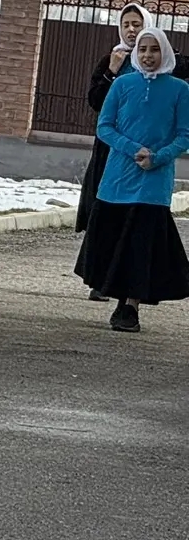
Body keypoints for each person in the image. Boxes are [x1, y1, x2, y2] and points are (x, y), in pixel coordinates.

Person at [74, 25, 189, 332]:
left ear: (165, 52)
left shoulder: (180, 90)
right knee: (115, 240)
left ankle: (130, 307)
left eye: (154, 49)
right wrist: (132, 149)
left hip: (154, 182)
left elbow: (184, 135)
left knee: (141, 245)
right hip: (117, 178)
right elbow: (105, 126)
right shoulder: (123, 84)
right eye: (142, 49)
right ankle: (114, 293)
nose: (148, 55)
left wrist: (158, 157)